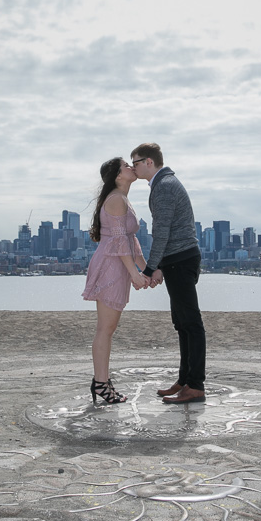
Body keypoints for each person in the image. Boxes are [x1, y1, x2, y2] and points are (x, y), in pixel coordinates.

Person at [130, 142, 207, 403]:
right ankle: (185, 380)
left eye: (136, 162)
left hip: (181, 259)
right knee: (182, 324)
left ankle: (195, 385)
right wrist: (159, 265)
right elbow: (166, 232)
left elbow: (161, 232)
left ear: (149, 162)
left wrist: (151, 268)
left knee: (191, 324)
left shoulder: (163, 187)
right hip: (178, 258)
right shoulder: (164, 183)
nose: (133, 167)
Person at [82, 157, 149, 404]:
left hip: (117, 263)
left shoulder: (121, 199)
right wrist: (135, 274)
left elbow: (131, 242)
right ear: (118, 176)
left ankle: (102, 381)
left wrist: (148, 269)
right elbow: (121, 243)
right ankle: (101, 383)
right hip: (112, 267)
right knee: (105, 329)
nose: (132, 167)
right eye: (126, 166)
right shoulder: (116, 199)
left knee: (107, 329)